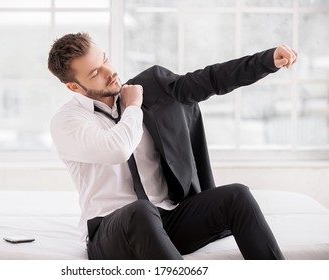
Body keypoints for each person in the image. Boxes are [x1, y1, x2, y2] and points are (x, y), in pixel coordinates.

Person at [48, 32, 297, 260]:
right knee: (141, 211)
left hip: (169, 220)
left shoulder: (151, 87)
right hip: (112, 232)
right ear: (73, 86)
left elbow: (208, 80)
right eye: (95, 73)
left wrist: (267, 60)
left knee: (237, 195)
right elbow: (118, 149)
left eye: (105, 59)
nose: (109, 72)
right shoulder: (67, 121)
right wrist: (133, 107)